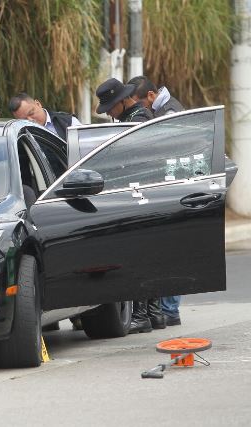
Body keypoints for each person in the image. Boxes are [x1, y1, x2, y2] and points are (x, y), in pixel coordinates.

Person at [95, 78, 164, 334]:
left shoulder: (137, 120)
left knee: (139, 255)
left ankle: (141, 314)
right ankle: (154, 314)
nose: (110, 112)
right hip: (146, 193)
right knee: (149, 253)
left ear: (123, 100)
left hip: (140, 193)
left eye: (111, 106)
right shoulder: (137, 116)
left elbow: (134, 160)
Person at [128, 76, 185, 326]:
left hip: (174, 188)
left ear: (151, 95)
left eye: (141, 102)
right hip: (171, 188)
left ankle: (169, 309)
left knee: (171, 252)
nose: (141, 108)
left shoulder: (169, 111)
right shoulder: (165, 107)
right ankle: (167, 308)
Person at [8, 93, 82, 140]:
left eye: (31, 113)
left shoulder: (68, 122)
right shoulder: (20, 136)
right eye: (24, 120)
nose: (30, 120)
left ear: (38, 104)